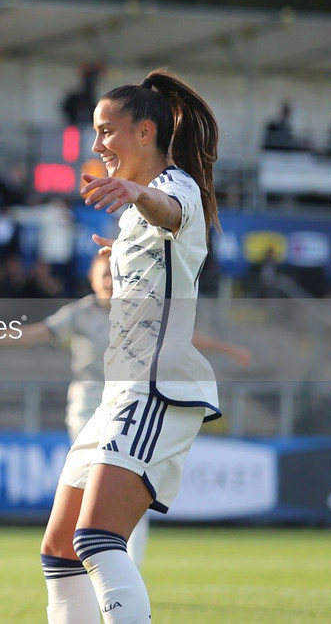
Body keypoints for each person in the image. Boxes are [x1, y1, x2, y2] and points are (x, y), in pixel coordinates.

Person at [39, 69, 223, 624]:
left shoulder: (175, 187)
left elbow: (169, 211)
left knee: (96, 539)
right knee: (61, 550)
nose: (96, 145)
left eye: (106, 131)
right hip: (118, 394)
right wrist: (118, 248)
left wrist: (137, 195)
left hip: (154, 386)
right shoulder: (135, 211)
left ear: (145, 132)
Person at [0, 251, 249, 566]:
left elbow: (182, 336)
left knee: (128, 484)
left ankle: (127, 568)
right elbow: (34, 334)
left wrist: (226, 348)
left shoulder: (140, 311)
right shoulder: (79, 314)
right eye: (103, 276)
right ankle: (84, 563)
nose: (110, 281)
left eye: (114, 275)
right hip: (88, 403)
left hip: (129, 401)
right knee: (90, 485)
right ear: (92, 280)